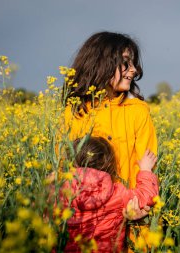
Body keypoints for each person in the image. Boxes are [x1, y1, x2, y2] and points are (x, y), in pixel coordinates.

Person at [62, 31, 157, 190]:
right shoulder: (76, 111)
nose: (133, 70)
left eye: (134, 63)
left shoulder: (137, 111)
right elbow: (64, 166)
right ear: (102, 63)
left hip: (127, 208)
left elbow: (147, 167)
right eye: (126, 62)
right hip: (82, 210)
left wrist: (139, 205)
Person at [58, 136, 158, 252]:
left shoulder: (58, 190)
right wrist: (146, 169)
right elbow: (147, 195)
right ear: (108, 165)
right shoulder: (116, 194)